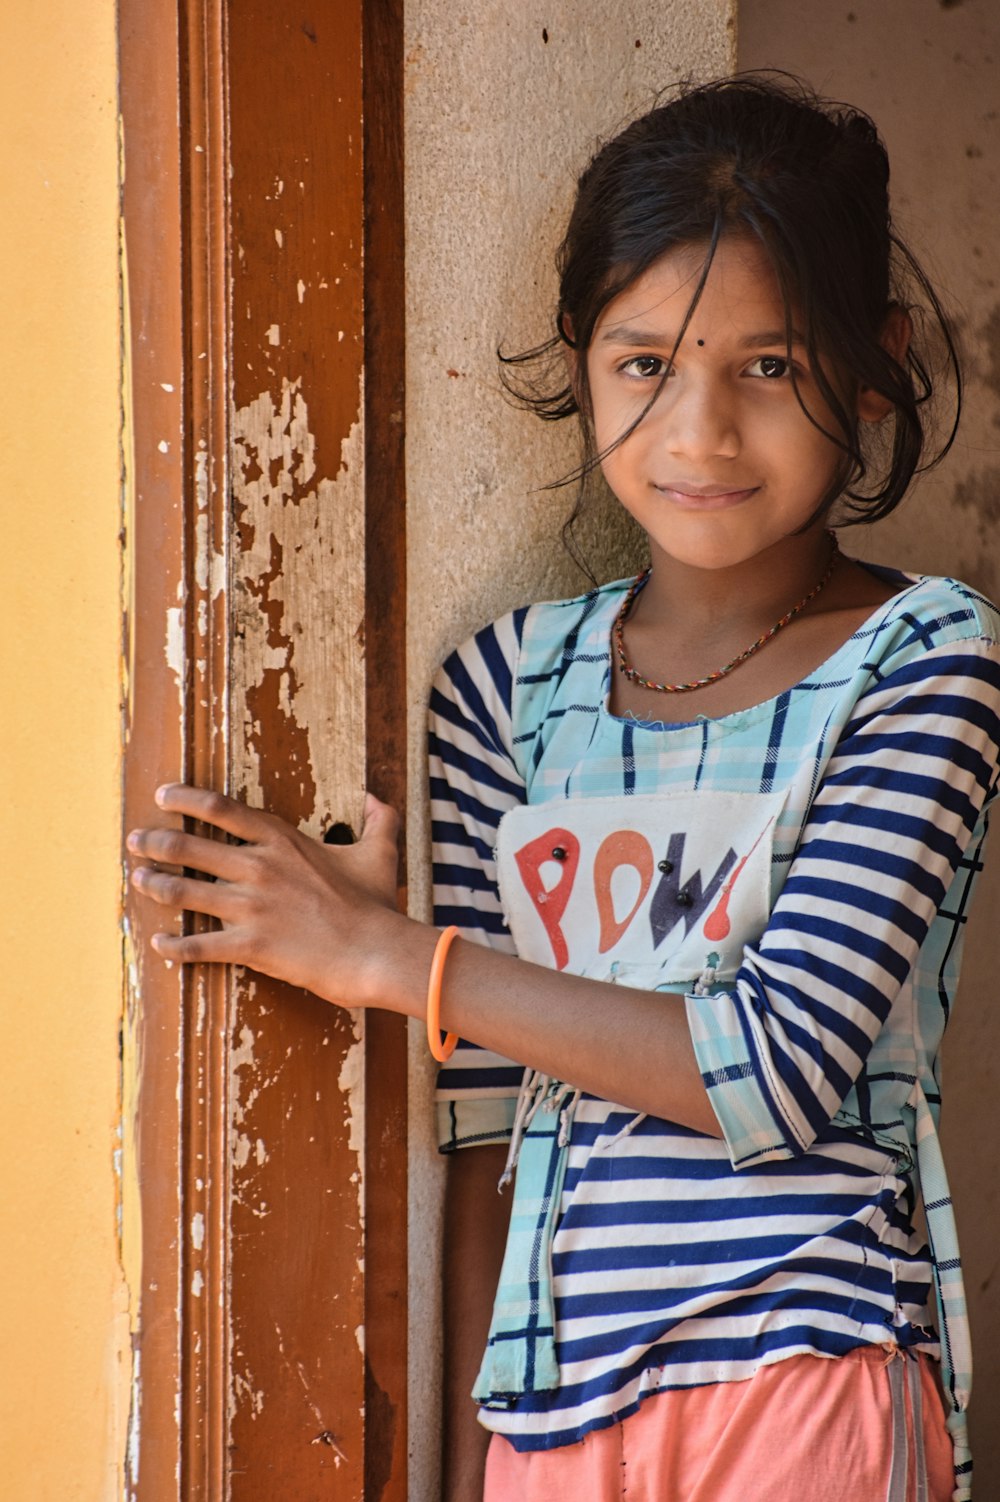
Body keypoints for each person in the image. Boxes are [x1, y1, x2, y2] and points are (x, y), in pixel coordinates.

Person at [128, 75, 1000, 1502]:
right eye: (643, 363)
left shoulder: (923, 662)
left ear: (876, 360)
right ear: (582, 365)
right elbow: (486, 1131)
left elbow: (773, 1071)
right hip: (552, 1413)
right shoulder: (504, 689)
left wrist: (387, 956)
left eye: (770, 366)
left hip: (806, 1375)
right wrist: (467, 1470)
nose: (701, 431)